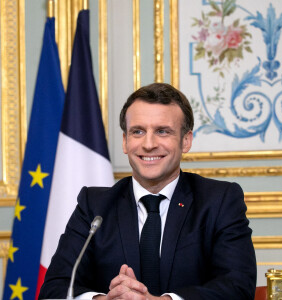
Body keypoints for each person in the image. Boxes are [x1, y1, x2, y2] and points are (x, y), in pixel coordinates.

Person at [39, 83, 256, 300]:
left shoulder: (220, 200)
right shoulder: (93, 205)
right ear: (125, 141)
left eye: (162, 131)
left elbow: (238, 286)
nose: (149, 144)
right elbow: (54, 289)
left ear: (186, 140)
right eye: (138, 132)